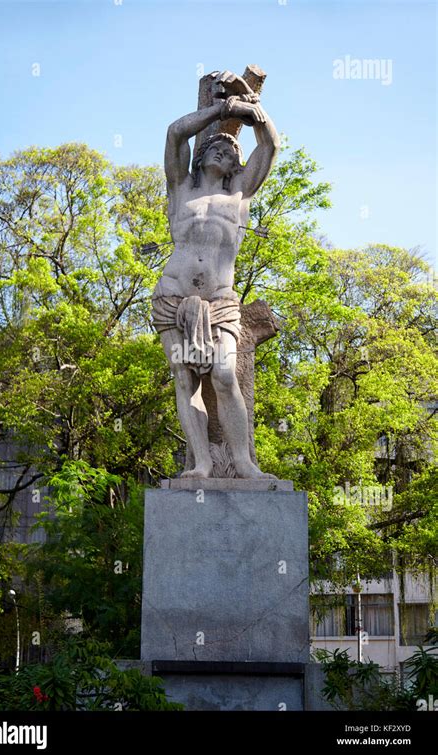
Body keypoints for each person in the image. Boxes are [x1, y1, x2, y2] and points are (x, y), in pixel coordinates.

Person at [152, 70, 281, 478]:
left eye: (230, 151)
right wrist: (218, 111)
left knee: (225, 375)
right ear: (202, 153)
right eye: (216, 146)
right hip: (172, 296)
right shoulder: (181, 189)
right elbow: (175, 134)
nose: (223, 151)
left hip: (221, 300)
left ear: (235, 166)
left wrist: (251, 108)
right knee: (184, 377)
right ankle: (202, 463)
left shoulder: (239, 193)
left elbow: (271, 145)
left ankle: (242, 463)